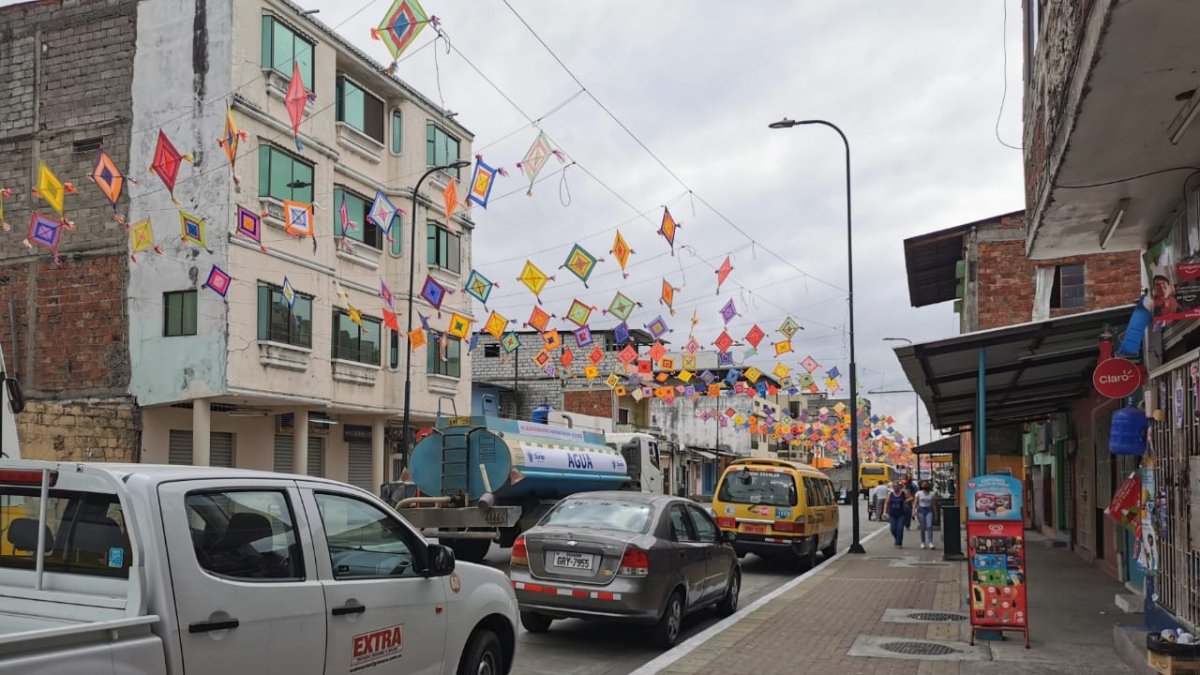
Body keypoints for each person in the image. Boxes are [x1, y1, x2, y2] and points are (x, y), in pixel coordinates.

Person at [885, 482, 912, 548]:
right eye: (894, 486)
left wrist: (906, 501)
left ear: (899, 487)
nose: (895, 487)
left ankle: (898, 543)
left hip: (901, 514)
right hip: (892, 514)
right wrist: (884, 512)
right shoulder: (891, 494)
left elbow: (911, 497)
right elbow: (886, 503)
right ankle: (897, 538)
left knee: (900, 528)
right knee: (893, 529)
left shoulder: (903, 493)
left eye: (896, 486)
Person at [914, 481, 938, 549]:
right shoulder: (918, 493)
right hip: (921, 510)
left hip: (929, 510)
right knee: (922, 527)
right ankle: (923, 542)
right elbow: (916, 502)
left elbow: (933, 504)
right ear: (921, 486)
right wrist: (913, 511)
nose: (925, 486)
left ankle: (930, 542)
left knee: (929, 526)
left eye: (926, 484)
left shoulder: (931, 494)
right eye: (923, 484)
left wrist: (935, 514)